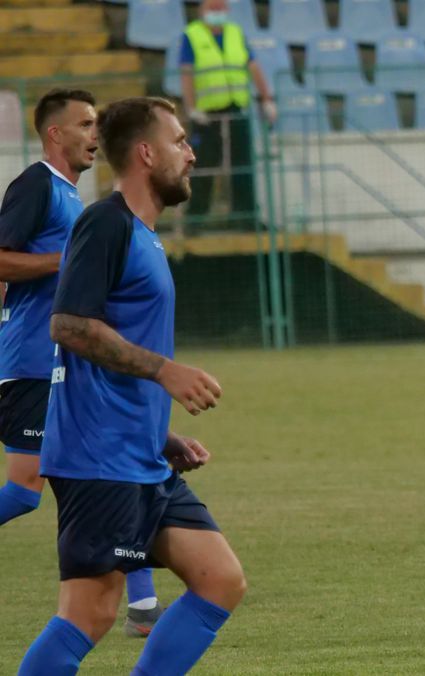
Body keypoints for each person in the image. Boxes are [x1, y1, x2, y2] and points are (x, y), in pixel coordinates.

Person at [18, 97, 244, 676]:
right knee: (89, 614)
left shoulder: (143, 234)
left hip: (139, 454)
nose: (191, 155)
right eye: (179, 142)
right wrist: (166, 371)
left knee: (219, 579)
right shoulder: (106, 223)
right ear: (146, 153)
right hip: (98, 459)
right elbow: (68, 326)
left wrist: (160, 433)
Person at [0, 89, 166, 637]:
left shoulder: (74, 197)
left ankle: (143, 606)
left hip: (66, 366)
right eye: (85, 124)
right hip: (32, 364)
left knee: (115, 469)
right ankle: (139, 604)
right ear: (55, 134)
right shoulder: (37, 185)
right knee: (24, 491)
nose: (95, 134)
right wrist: (66, 260)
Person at [179, 0, 277, 231]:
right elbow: (187, 73)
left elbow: (253, 66)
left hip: (236, 108)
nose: (217, 13)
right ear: (202, 10)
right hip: (207, 114)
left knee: (243, 165)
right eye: (212, 9)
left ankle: (246, 217)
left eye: (220, 9)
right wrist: (192, 108)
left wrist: (266, 99)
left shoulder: (235, 33)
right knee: (204, 165)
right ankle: (196, 219)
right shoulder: (192, 35)